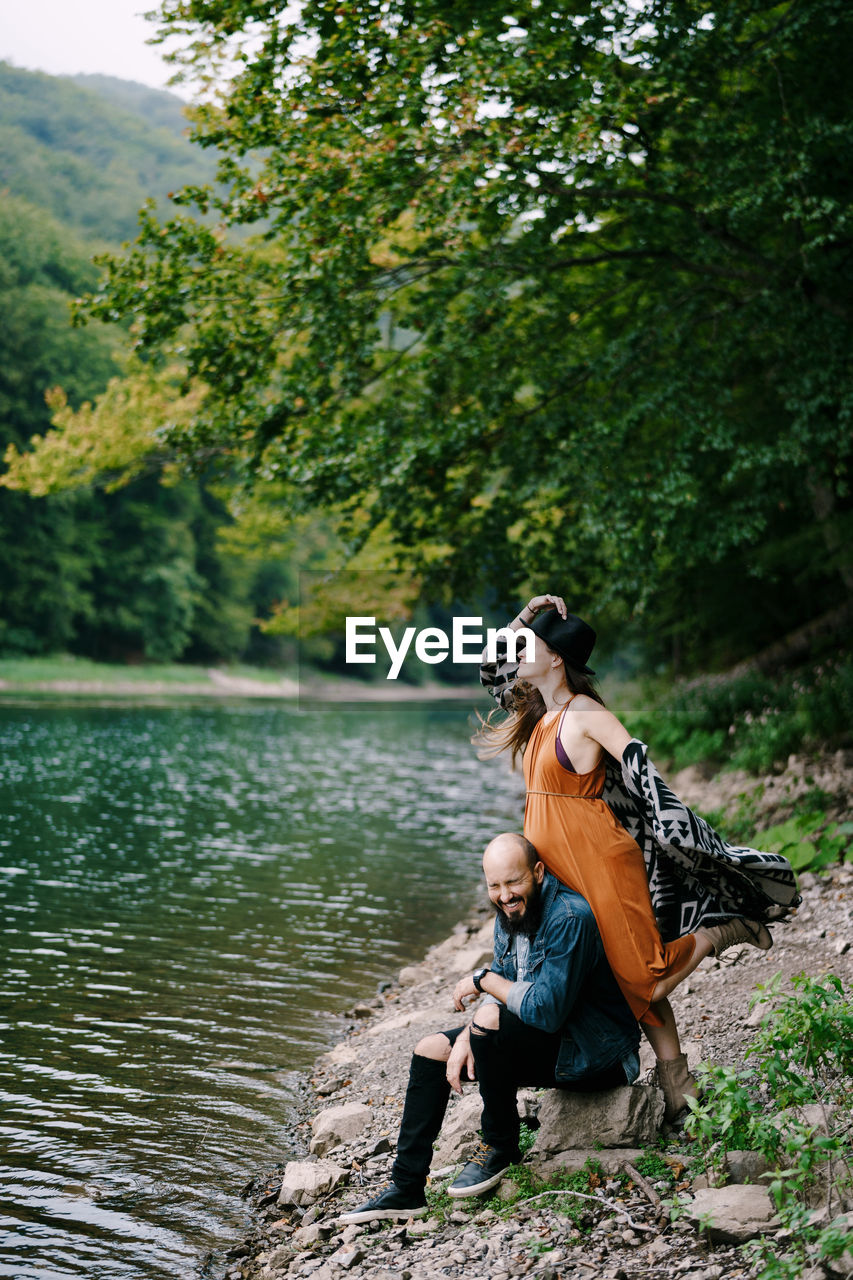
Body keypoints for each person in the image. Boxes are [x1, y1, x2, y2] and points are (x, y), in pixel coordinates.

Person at [476, 594, 799, 1122]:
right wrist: (526, 615)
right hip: (555, 870)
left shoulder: (586, 714)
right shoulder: (539, 712)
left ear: (556, 657)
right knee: (614, 977)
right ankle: (679, 1091)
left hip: (601, 864)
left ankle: (722, 930)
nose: (521, 649)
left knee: (641, 977)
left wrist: (693, 840)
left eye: (531, 643)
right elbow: (491, 670)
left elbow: (641, 770)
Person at [339, 832, 640, 1223]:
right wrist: (468, 1035)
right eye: (494, 886)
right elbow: (503, 985)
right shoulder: (509, 915)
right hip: (549, 1044)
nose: (504, 895)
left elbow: (544, 1009)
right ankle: (406, 1189)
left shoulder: (569, 917)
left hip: (595, 1057)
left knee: (486, 1020)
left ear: (538, 872)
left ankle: (500, 1146)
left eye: (513, 882)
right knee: (431, 1049)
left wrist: (481, 982)